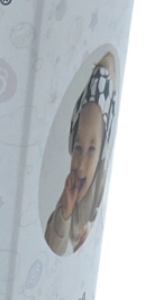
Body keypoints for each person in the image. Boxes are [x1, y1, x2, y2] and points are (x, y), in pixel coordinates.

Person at [45, 53, 117, 255]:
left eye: (91, 150)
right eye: (78, 148)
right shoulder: (71, 191)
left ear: (102, 153)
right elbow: (51, 249)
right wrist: (65, 212)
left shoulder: (103, 192)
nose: (81, 165)